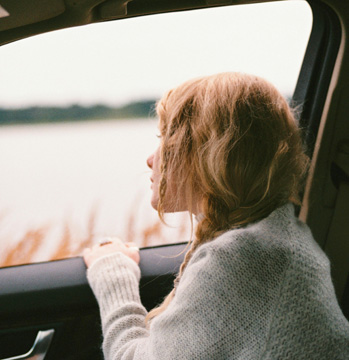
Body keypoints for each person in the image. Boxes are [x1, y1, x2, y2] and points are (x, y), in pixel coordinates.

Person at [83, 72, 349, 359]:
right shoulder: (278, 239)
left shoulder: (242, 260)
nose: (151, 159)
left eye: (166, 140)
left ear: (208, 155)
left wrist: (113, 272)